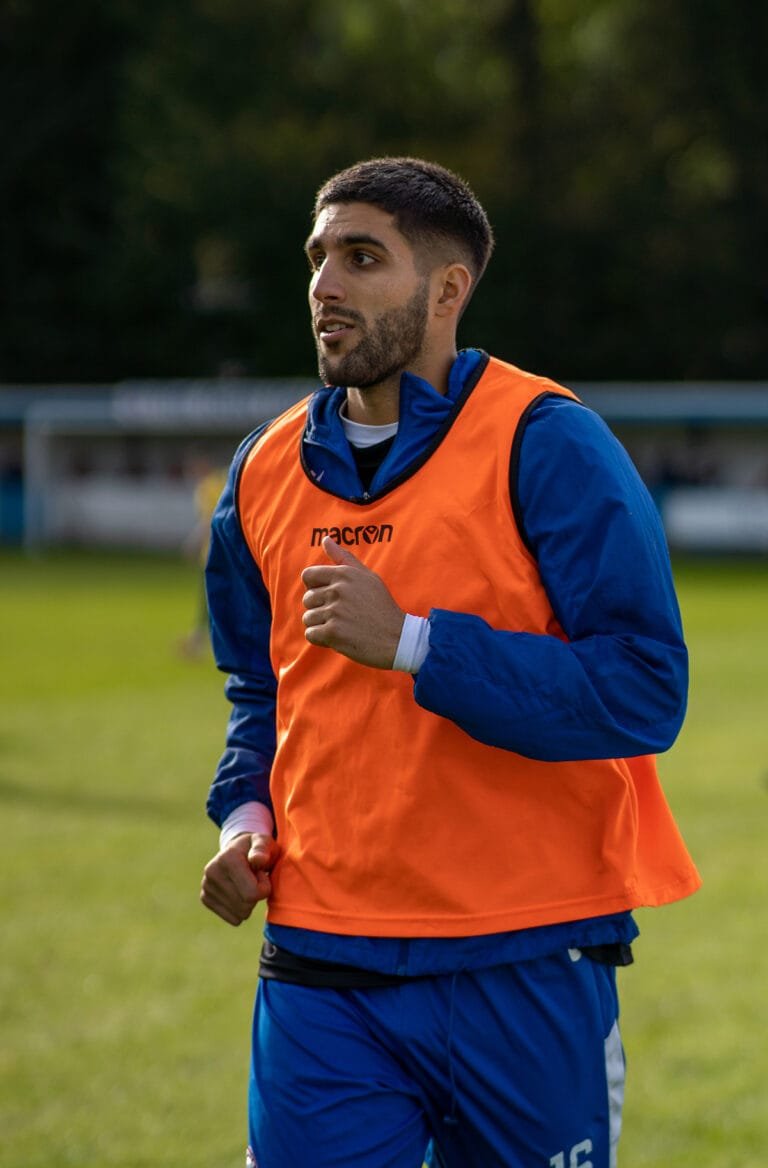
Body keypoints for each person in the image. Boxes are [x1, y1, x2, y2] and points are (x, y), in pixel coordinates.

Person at [200, 157, 700, 1168]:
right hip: (320, 964)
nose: (324, 286)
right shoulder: (260, 469)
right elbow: (263, 689)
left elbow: (644, 689)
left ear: (447, 290)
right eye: (317, 257)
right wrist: (244, 816)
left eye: (361, 257)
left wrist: (417, 644)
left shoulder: (547, 443)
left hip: (526, 952)